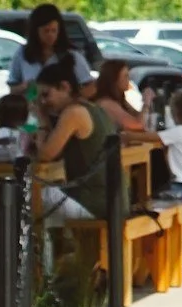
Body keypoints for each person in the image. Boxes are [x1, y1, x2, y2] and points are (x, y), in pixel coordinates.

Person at [31, 59, 118, 224]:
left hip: (94, 202)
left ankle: (41, 249)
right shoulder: (95, 108)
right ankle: (58, 247)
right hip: (111, 200)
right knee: (49, 196)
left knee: (35, 196)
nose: (42, 102)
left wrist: (41, 119)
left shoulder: (73, 113)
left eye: (46, 94)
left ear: (65, 87)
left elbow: (45, 154)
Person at [7, 5, 92, 95]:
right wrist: (25, 87)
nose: (50, 35)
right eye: (46, 31)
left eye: (54, 30)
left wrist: (71, 101)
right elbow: (12, 88)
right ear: (35, 32)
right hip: (32, 106)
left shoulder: (72, 55)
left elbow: (89, 86)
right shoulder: (22, 53)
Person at [89, 58, 153, 140]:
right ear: (114, 80)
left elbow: (138, 117)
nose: (128, 80)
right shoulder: (107, 103)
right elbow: (138, 125)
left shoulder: (119, 100)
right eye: (125, 76)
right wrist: (146, 103)